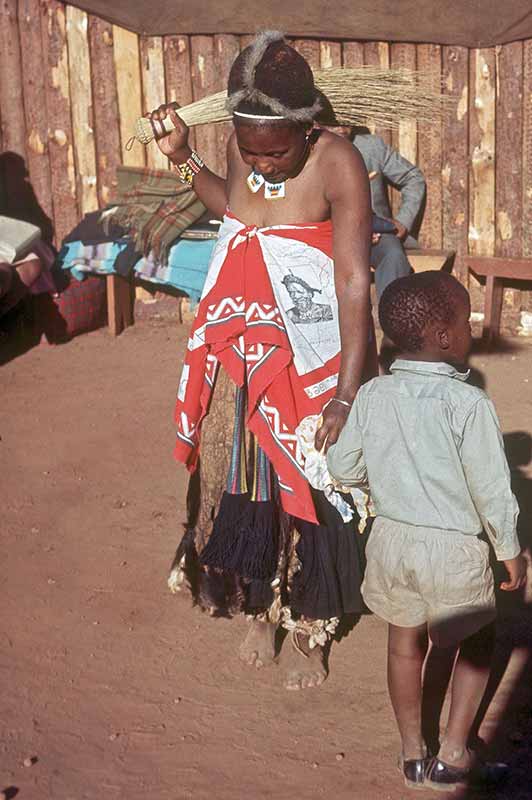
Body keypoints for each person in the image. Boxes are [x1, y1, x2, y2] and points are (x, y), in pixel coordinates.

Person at [150, 31, 377, 690]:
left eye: (275, 153)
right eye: (250, 152)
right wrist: (186, 158)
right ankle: (261, 607)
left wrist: (344, 391)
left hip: (316, 351)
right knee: (250, 477)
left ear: (307, 131)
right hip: (250, 347)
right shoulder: (249, 150)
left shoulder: (338, 163)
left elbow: (354, 281)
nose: (263, 166)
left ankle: (310, 627)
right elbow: (238, 213)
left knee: (313, 481)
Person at [327, 271, 526, 790]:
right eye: (464, 321)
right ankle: (454, 752)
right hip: (454, 550)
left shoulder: (371, 396)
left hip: (391, 544)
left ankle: (412, 752)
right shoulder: (469, 405)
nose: (470, 329)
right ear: (443, 336)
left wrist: (383, 487)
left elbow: (344, 466)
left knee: (403, 643)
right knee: (478, 641)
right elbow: (491, 488)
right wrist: (509, 550)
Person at [326, 126, 426, 300]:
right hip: (327, 235)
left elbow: (413, 178)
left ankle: (394, 317)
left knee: (393, 255)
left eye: (347, 121)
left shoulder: (371, 147)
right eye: (334, 122)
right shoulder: (308, 153)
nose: (342, 127)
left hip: (376, 233)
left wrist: (403, 221)